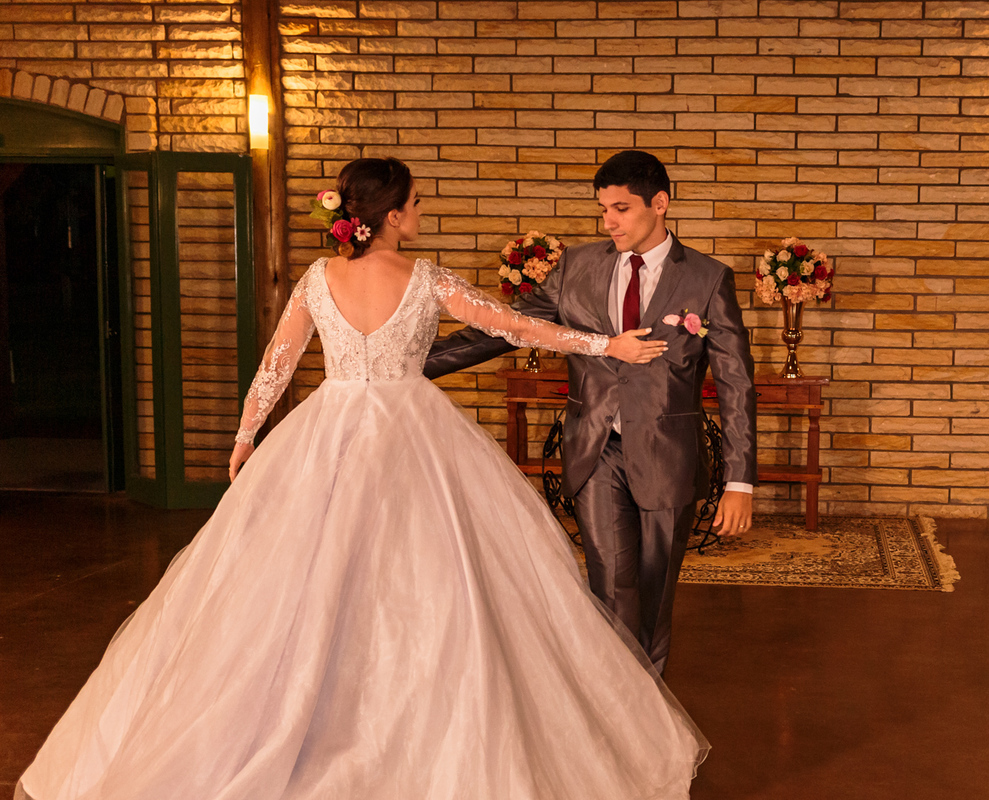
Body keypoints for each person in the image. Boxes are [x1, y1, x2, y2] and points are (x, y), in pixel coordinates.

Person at [15, 157, 707, 800]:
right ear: (394, 215)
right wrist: (605, 344)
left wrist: (246, 435)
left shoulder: (319, 277)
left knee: (309, 579)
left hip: (328, 432)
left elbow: (277, 362)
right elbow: (514, 327)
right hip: (417, 435)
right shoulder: (426, 278)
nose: (421, 212)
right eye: (416, 204)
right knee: (437, 579)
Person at [425, 150, 757, 675]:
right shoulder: (576, 267)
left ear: (660, 203)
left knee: (654, 594)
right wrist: (415, 363)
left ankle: (649, 708)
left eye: (621, 209)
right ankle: (617, 701)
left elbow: (736, 383)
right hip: (594, 450)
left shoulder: (708, 278)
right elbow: (507, 328)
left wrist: (740, 482)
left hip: (668, 458)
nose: (608, 222)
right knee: (610, 584)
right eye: (604, 209)